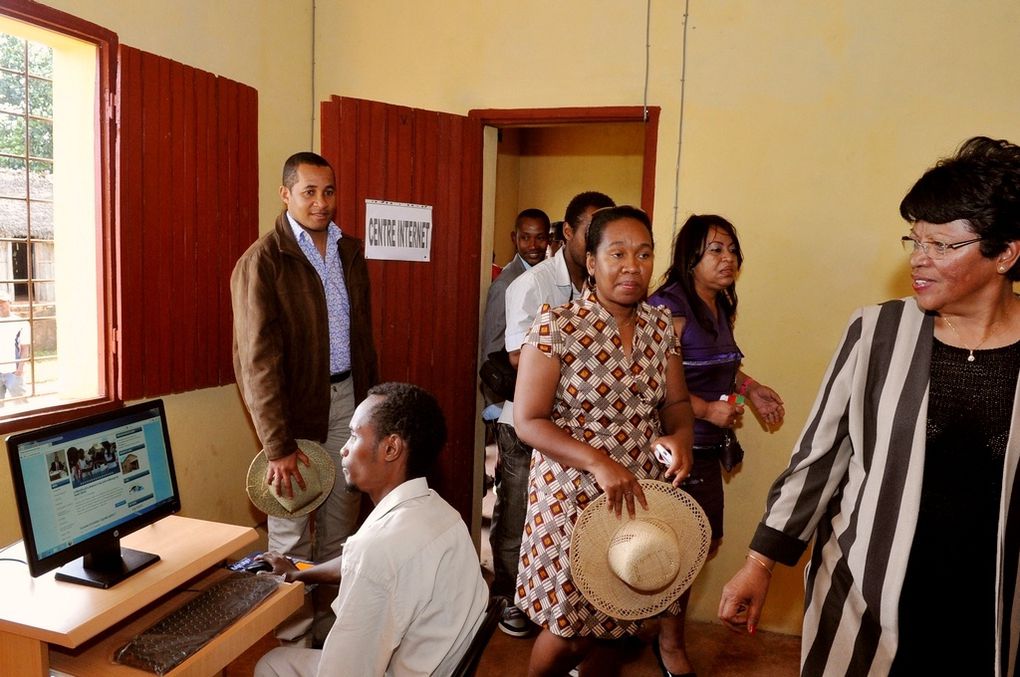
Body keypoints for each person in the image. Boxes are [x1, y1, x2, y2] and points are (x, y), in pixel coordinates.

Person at [718, 136, 1020, 675]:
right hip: (868, 595)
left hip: (991, 607)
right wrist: (759, 562)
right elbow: (819, 459)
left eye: (942, 246)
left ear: (1005, 253)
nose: (918, 260)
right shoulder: (877, 332)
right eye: (914, 240)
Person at [513, 205, 696, 676]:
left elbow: (674, 404)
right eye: (617, 253)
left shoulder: (661, 327)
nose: (632, 266)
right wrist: (597, 462)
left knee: (624, 619)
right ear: (591, 263)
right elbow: (528, 421)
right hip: (570, 490)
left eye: (643, 254)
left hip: (637, 488)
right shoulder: (558, 325)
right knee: (568, 630)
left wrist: (682, 438)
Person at [253, 382, 488, 677]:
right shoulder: (442, 513)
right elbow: (364, 564)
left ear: (390, 448)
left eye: (354, 435)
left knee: (271, 663)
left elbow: (343, 673)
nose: (344, 448)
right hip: (439, 666)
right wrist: (300, 574)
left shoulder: (378, 549)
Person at [646, 214, 784, 674]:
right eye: (715, 250)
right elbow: (651, 382)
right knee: (679, 549)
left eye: (731, 250)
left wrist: (751, 389)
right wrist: (706, 411)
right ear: (690, 258)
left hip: (707, 449)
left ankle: (653, 628)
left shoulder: (718, 302)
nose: (728, 260)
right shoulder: (669, 307)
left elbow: (721, 366)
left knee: (703, 543)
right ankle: (668, 645)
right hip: (674, 451)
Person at [232, 151, 379, 567]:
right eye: (309, 192)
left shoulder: (348, 250)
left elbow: (364, 340)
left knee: (342, 529)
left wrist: (371, 409)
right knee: (290, 537)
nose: (321, 202)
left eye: (328, 191)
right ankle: (291, 636)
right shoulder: (262, 261)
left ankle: (330, 631)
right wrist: (276, 446)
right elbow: (255, 363)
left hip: (349, 403)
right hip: (293, 410)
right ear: (285, 194)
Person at [494, 190, 615, 638]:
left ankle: (561, 606)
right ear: (567, 232)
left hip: (575, 430)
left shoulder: (601, 283)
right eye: (592, 230)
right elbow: (514, 356)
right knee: (518, 517)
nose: (602, 240)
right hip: (528, 424)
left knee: (566, 524)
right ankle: (509, 598)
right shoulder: (533, 284)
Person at [480, 208, 550, 608]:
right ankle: (505, 590)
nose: (534, 246)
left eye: (540, 238)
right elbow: (493, 350)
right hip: (509, 407)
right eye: (526, 238)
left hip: (538, 410)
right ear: (514, 238)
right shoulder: (507, 282)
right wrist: (494, 406)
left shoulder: (554, 279)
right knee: (513, 502)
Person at [0, 290, 31, 405]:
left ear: (10, 303)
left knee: (21, 405)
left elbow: (24, 348)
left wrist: (20, 369)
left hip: (13, 371)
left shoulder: (21, 322)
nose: (0, 305)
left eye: (3, 302)